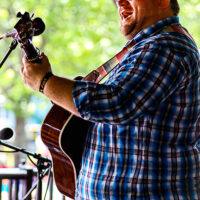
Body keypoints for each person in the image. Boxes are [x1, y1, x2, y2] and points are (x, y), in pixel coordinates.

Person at [21, 0, 200, 199]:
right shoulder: (145, 48)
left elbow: (116, 104)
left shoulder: (167, 46)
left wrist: (45, 82)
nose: (119, 3)